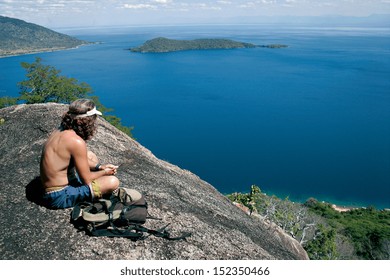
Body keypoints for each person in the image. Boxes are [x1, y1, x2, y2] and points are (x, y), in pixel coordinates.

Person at [39, 99, 120, 209]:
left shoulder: (60, 130)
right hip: (60, 196)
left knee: (90, 155)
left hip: (53, 188)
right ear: (86, 121)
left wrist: (99, 167)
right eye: (93, 119)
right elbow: (86, 180)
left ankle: (84, 186)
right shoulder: (76, 141)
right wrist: (105, 172)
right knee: (112, 182)